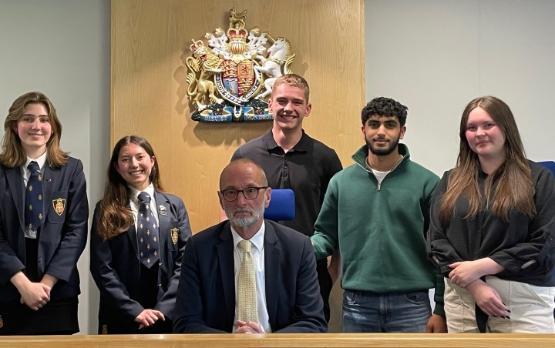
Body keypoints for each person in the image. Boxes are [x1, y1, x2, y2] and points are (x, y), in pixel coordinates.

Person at [311, 97, 446, 333]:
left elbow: (440, 248)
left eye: (390, 125)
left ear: (402, 131)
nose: (381, 131)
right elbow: (324, 236)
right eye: (374, 124)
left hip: (412, 306)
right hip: (356, 306)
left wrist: (440, 309)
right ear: (363, 129)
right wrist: (290, 249)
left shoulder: (427, 183)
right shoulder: (341, 183)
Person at [428, 96, 555, 333]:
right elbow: (436, 241)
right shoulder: (450, 181)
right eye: (471, 127)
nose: (480, 133)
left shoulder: (539, 179)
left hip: (523, 303)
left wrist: (484, 266)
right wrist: (475, 284)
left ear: (506, 128)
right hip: (463, 299)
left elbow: (545, 242)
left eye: (488, 125)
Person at [232, 74, 342, 321]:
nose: (288, 108)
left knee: (309, 336)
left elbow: (338, 219)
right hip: (255, 268)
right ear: (270, 105)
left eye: (296, 102)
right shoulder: (246, 154)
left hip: (310, 270)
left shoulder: (326, 158)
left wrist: (333, 270)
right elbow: (229, 211)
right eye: (281, 101)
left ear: (308, 108)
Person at [173, 159, 326, 333]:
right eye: (231, 192)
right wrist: (232, 343)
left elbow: (313, 322)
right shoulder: (199, 249)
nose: (241, 201)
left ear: (267, 196)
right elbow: (185, 323)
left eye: (251, 190)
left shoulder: (298, 248)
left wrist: (267, 342)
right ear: (221, 200)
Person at [0, 91, 88, 334]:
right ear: (14, 125)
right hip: (8, 286)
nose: (36, 126)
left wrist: (46, 284)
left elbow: (76, 232)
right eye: (28, 119)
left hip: (57, 290)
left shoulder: (72, 170)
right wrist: (23, 285)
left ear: (53, 126)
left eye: (44, 119)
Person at [90, 135, 192, 334]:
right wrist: (133, 310)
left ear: (152, 161)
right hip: (122, 316)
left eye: (140, 157)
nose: (134, 164)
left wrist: (164, 308)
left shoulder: (174, 205)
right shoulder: (106, 209)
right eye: (126, 159)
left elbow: (185, 260)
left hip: (167, 315)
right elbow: (102, 267)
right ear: (117, 167)